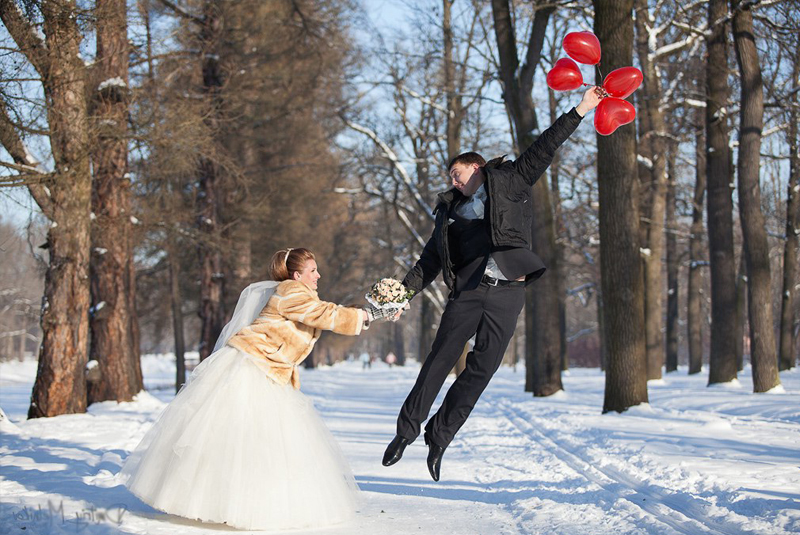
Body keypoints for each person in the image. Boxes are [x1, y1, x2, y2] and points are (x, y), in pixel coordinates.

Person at [382, 87, 603, 481]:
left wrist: (582, 109)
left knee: (483, 368)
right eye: (451, 176)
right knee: (439, 360)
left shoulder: (512, 180)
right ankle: (406, 432)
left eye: (457, 172)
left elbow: (545, 146)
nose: (452, 179)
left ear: (477, 167)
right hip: (468, 291)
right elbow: (429, 260)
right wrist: (400, 294)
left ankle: (440, 435)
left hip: (508, 293)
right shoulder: (448, 212)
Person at [118, 248, 396, 531]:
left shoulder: (298, 294)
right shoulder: (291, 291)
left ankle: (237, 503)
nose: (318, 275)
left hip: (268, 368)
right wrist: (367, 314)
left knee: (255, 442)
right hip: (252, 366)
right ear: (297, 275)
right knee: (243, 440)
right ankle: (219, 504)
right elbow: (324, 314)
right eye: (313, 270)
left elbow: (322, 313)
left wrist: (371, 316)